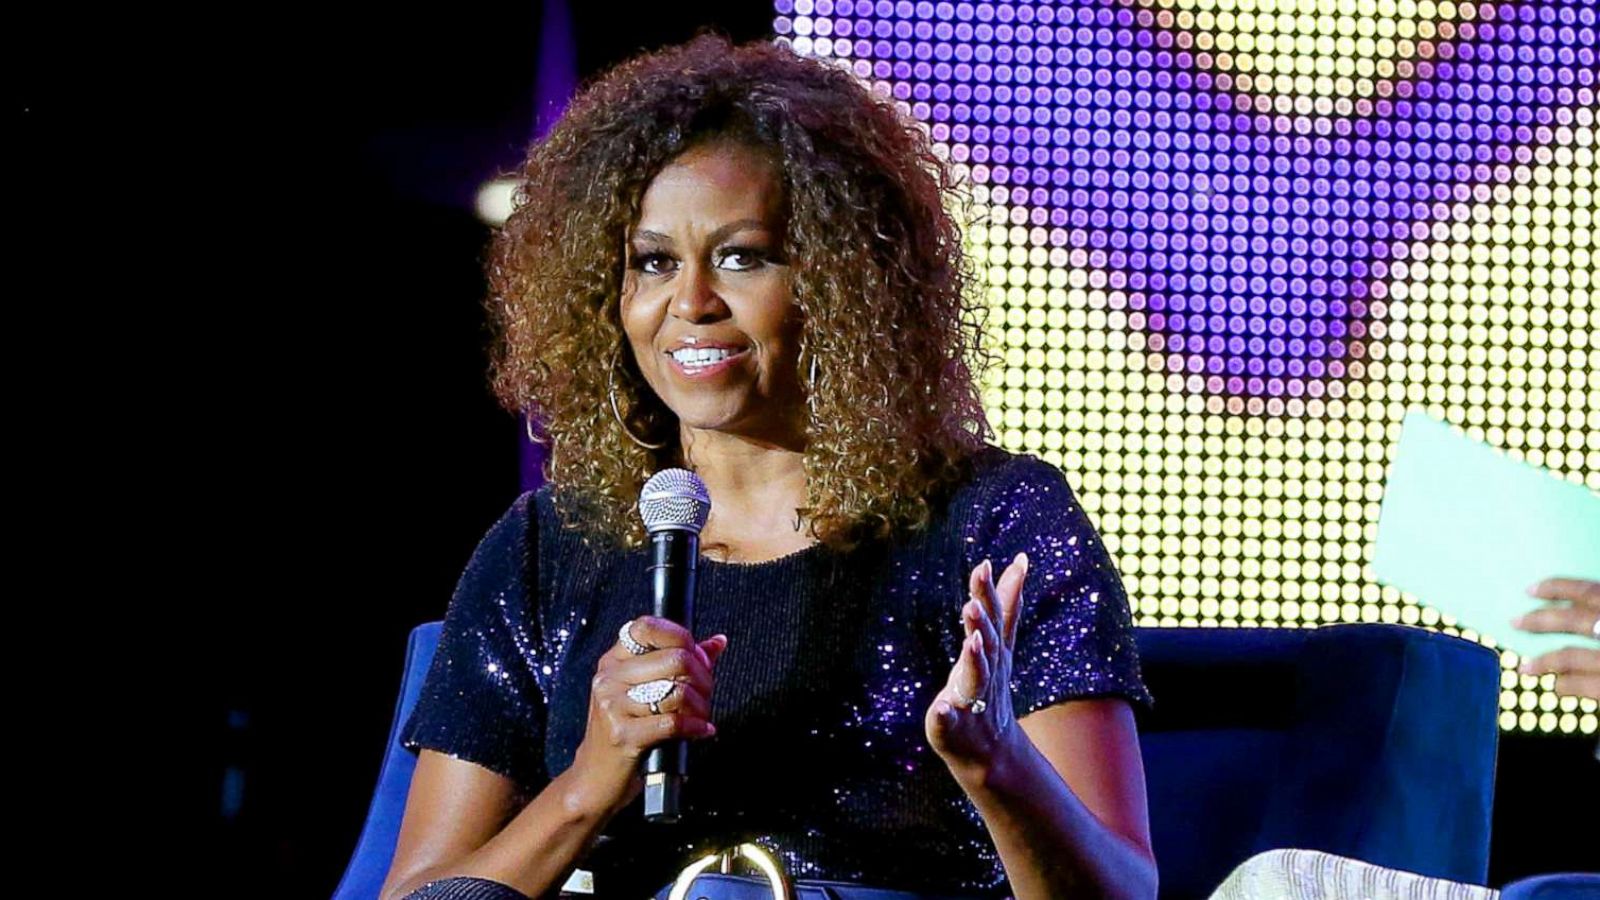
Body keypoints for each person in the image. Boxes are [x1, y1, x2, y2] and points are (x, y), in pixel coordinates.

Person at [376, 33, 1155, 900]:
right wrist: (591, 784)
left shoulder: (993, 519)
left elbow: (1124, 888)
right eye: (654, 262)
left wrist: (998, 764)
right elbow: (420, 895)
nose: (692, 304)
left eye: (743, 257)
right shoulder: (546, 546)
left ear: (842, 281)